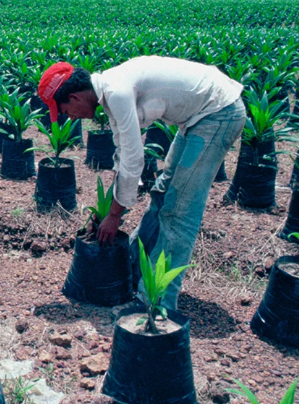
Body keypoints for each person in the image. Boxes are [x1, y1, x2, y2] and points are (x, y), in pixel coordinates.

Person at [38, 56, 245, 310]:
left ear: (75, 98)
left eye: (65, 111)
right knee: (162, 193)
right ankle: (134, 269)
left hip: (218, 114)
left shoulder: (118, 93)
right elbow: (123, 156)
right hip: (199, 117)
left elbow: (135, 160)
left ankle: (156, 303)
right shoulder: (111, 94)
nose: (69, 118)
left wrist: (114, 215)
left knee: (179, 212)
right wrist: (109, 210)